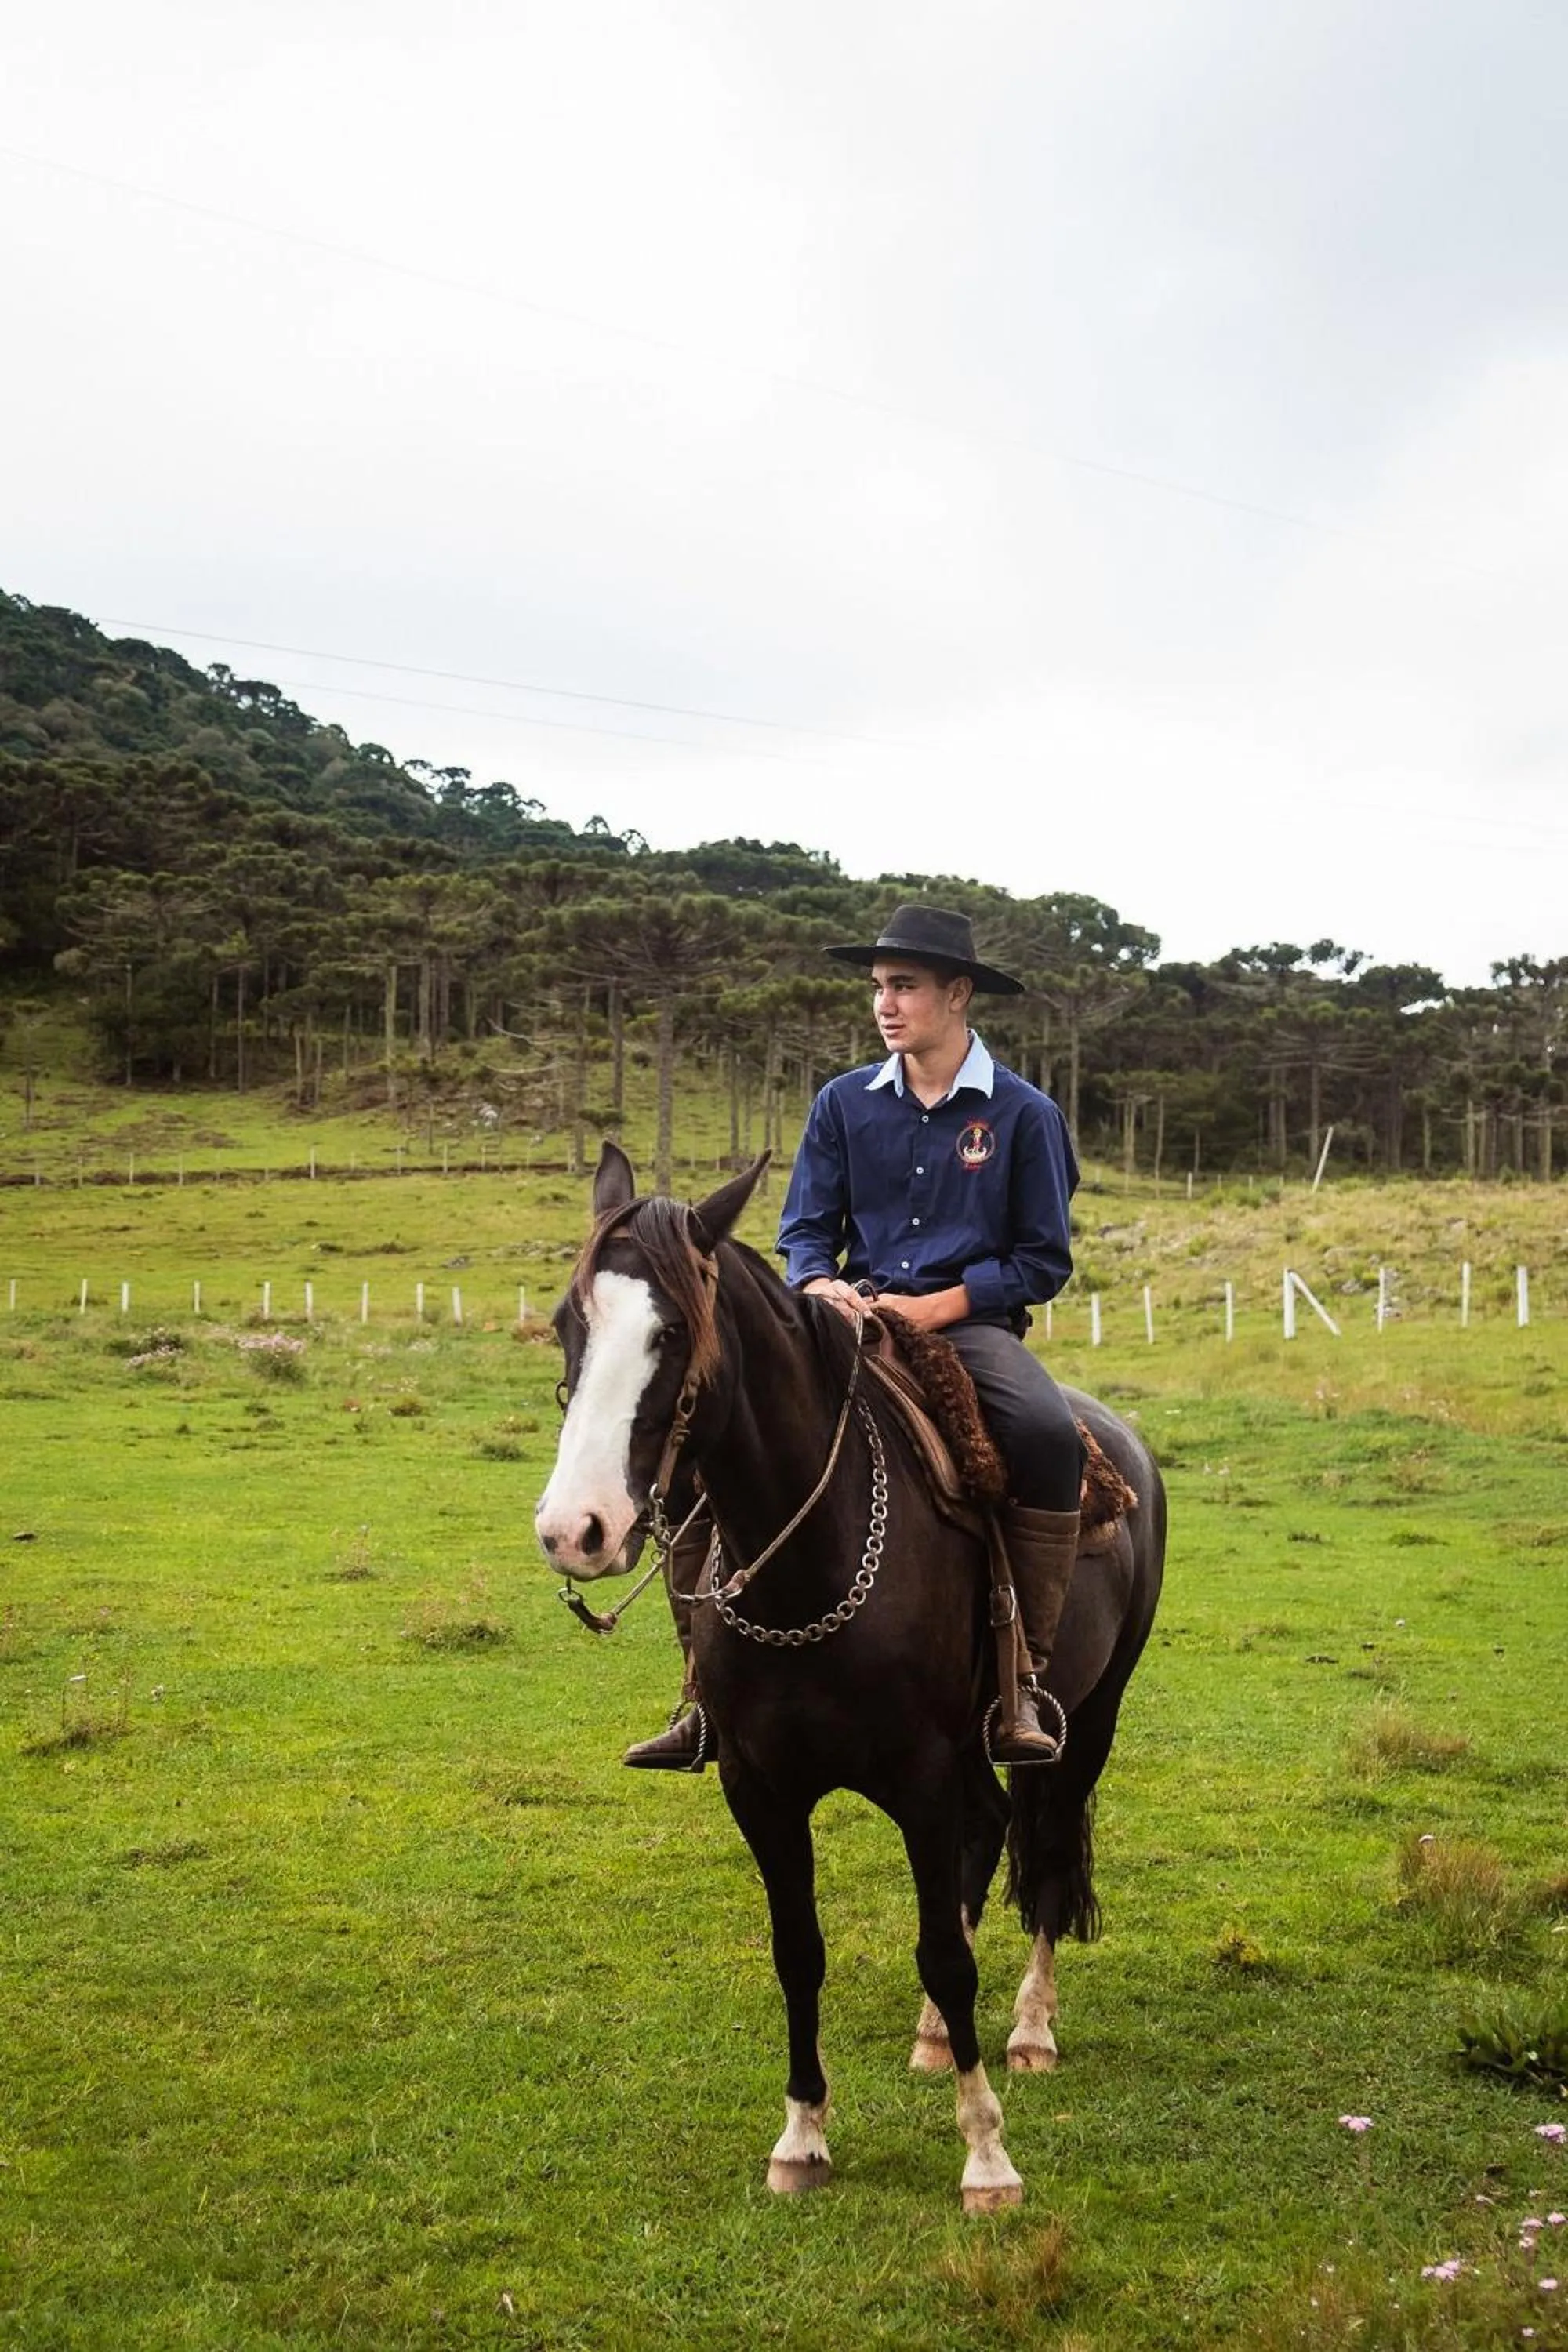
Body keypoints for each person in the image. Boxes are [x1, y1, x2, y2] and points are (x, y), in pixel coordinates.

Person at [625, 903, 1084, 1769]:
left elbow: (1040, 1261)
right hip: (842, 1319)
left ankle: (1023, 1685)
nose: (885, 1004)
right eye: (877, 987)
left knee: (1045, 1435)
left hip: (968, 1331)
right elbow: (804, 1227)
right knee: (704, 1445)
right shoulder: (841, 1103)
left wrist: (932, 1308)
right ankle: (701, 1692)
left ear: (957, 995)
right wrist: (814, 1282)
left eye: (903, 987)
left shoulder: (1024, 1115)